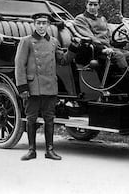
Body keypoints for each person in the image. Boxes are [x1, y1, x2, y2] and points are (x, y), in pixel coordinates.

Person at [15, 13, 78, 161]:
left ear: (48, 25)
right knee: (31, 119)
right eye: (39, 23)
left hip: (50, 86)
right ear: (34, 24)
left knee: (50, 119)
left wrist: (73, 48)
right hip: (32, 87)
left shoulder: (53, 42)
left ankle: (50, 150)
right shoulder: (26, 41)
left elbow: (62, 61)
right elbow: (19, 65)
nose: (41, 25)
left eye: (44, 23)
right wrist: (22, 88)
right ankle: (32, 150)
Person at [72, 0, 129, 73]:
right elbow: (90, 37)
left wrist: (120, 42)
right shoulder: (81, 19)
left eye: (95, 5)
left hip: (110, 49)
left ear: (99, 6)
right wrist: (103, 49)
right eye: (90, 4)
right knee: (119, 56)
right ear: (86, 5)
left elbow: (109, 36)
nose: (92, 7)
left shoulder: (102, 19)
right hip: (95, 51)